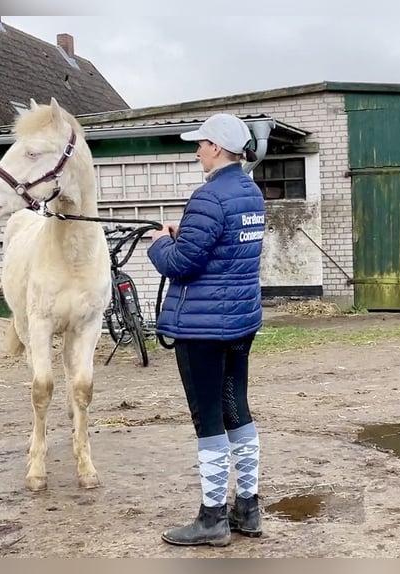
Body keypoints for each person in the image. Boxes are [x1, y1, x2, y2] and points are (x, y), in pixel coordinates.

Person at [147, 113, 266, 547]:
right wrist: (187, 232)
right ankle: (248, 507)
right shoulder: (249, 192)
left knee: (208, 420)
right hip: (240, 321)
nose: (196, 150)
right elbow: (221, 242)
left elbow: (181, 264)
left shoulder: (207, 196)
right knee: (237, 407)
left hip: (203, 329)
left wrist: (160, 242)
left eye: (200, 144)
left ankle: (212, 517)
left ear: (216, 148)